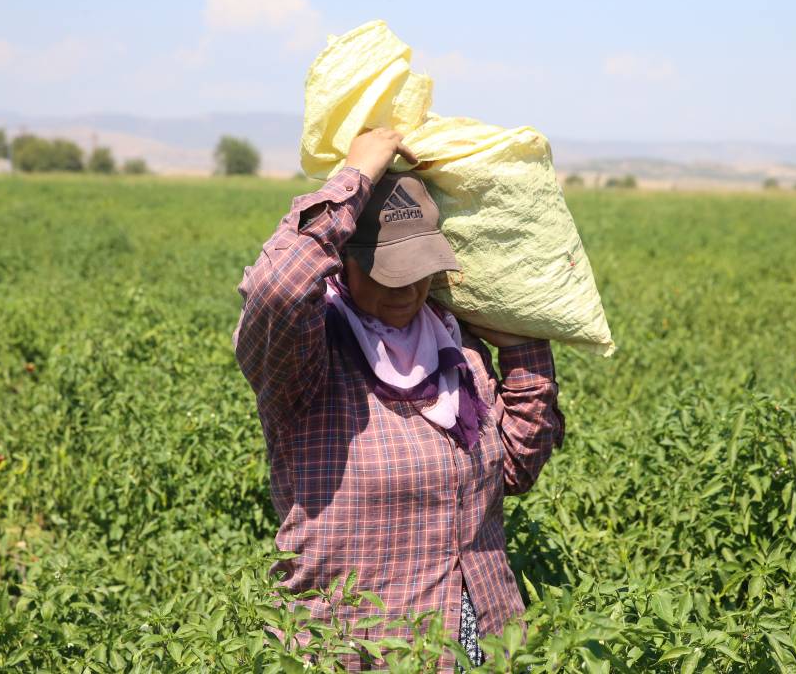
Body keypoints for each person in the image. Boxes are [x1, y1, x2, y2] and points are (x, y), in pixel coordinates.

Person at [233, 128, 565, 670]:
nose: (408, 290)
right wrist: (355, 175)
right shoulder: (309, 361)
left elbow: (515, 471)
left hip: (483, 639)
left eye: (420, 271)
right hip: (359, 650)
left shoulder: (454, 347)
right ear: (344, 263)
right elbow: (278, 287)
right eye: (388, 274)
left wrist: (524, 350)